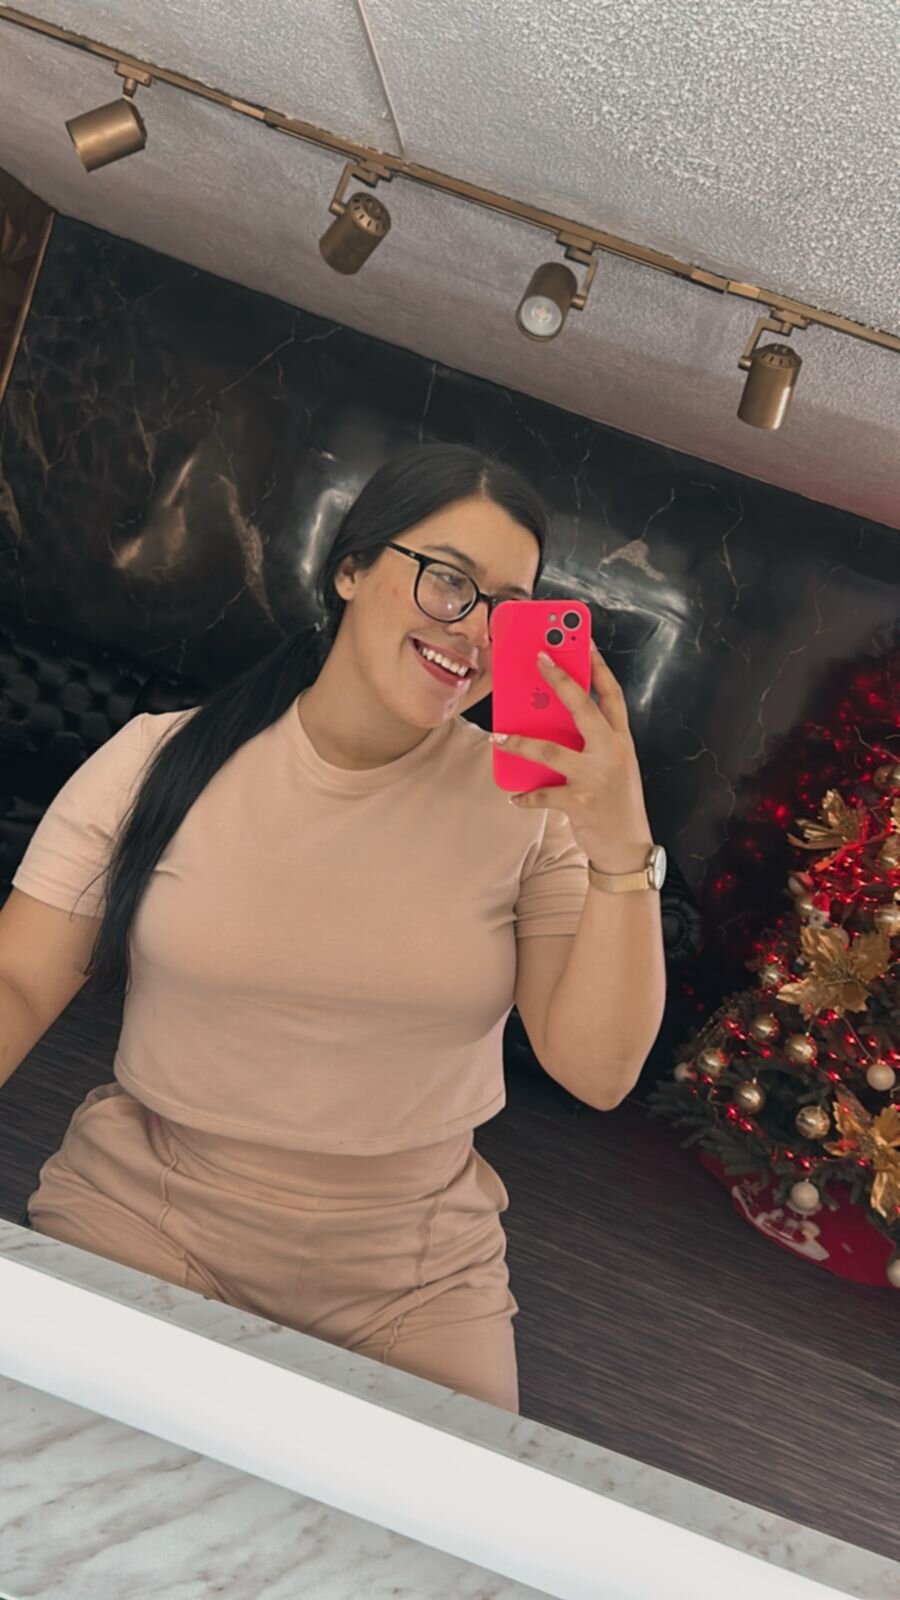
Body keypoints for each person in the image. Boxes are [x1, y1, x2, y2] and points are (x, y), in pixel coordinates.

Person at [2, 442, 666, 1413]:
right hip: (149, 1215)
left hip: (413, 1277)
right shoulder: (160, 760)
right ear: (350, 567)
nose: (472, 628)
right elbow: (18, 981)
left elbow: (596, 1070)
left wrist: (621, 845)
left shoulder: (534, 814)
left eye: (506, 606)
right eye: (448, 579)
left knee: (432, 1517)